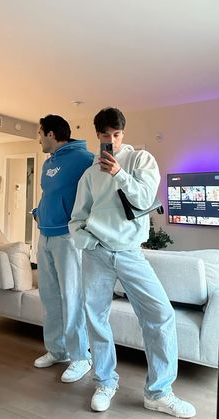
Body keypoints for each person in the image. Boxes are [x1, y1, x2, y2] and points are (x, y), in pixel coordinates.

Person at [69, 107, 196, 417]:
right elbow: (77, 218)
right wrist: (90, 242)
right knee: (95, 318)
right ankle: (105, 382)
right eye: (105, 136)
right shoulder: (88, 174)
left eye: (116, 135)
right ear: (96, 136)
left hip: (130, 252)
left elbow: (143, 199)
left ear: (123, 133)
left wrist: (118, 174)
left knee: (161, 313)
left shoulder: (141, 160)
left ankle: (159, 392)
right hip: (97, 252)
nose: (111, 141)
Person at [33, 114, 93, 383]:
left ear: (51, 134)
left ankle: (81, 356)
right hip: (44, 234)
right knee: (49, 296)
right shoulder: (49, 163)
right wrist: (39, 211)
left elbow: (100, 190)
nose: (39, 138)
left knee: (72, 297)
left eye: (40, 133)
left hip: (67, 238)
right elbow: (50, 194)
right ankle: (57, 350)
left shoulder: (84, 159)